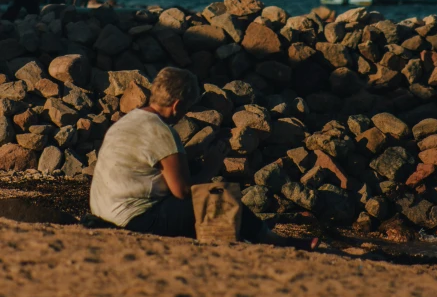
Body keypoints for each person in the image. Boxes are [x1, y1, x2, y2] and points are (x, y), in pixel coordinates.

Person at [90, 67, 318, 250]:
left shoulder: (132, 120)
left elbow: (155, 160)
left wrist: (199, 148)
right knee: (221, 195)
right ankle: (274, 241)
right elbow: (182, 191)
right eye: (187, 108)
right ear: (178, 105)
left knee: (193, 170)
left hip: (104, 212)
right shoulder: (161, 131)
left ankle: (243, 230)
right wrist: (212, 166)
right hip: (134, 219)